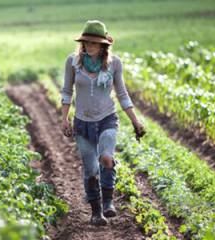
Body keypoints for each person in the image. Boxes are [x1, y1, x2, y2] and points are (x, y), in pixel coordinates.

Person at [61, 20, 145, 226]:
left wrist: (135, 121)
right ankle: (96, 211)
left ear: (103, 45)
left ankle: (108, 200)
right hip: (82, 122)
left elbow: (122, 94)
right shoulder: (73, 62)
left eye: (93, 43)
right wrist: (64, 117)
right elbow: (67, 91)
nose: (88, 46)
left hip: (107, 117)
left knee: (106, 158)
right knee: (90, 169)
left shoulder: (114, 63)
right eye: (86, 42)